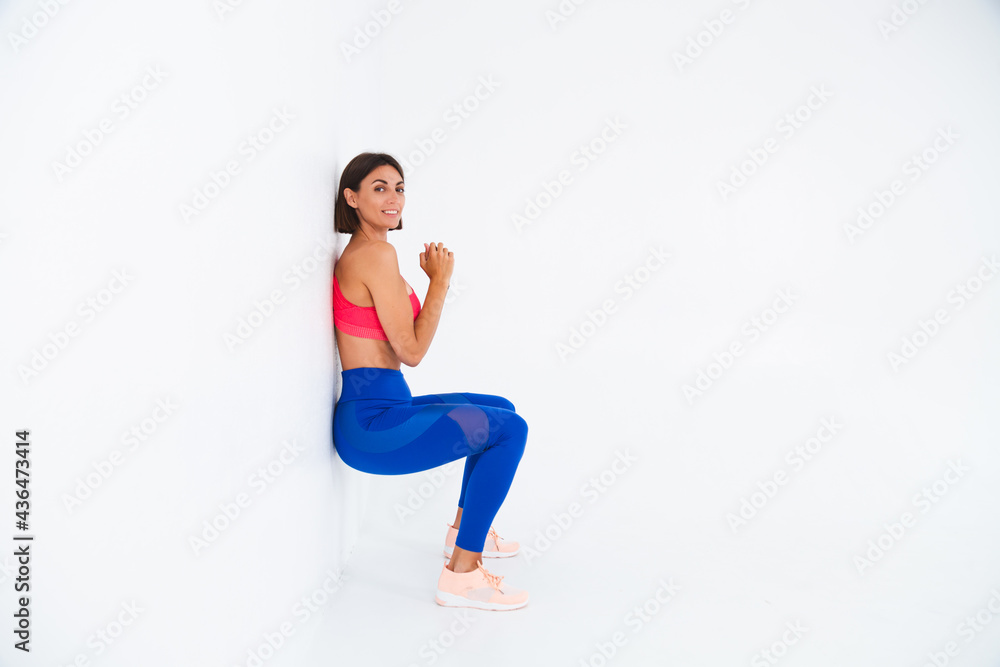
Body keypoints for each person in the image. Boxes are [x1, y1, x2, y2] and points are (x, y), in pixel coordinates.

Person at [330, 152, 530, 611]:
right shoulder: (375, 255)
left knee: (500, 407)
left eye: (399, 188)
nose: (393, 198)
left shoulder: (375, 253)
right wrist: (440, 283)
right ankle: (462, 573)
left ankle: (465, 529)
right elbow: (412, 352)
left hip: (385, 409)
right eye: (379, 188)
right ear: (352, 197)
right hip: (371, 426)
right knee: (509, 430)